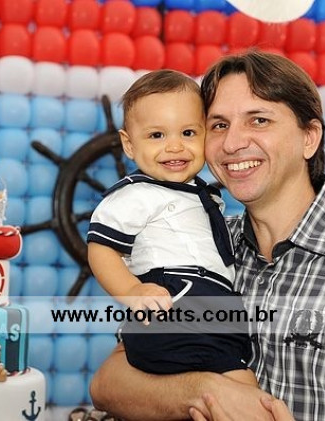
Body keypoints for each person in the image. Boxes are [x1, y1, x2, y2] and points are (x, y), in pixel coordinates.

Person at [89, 50, 325, 420]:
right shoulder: (197, 244)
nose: (232, 143)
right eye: (219, 125)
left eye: (259, 120)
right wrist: (206, 391)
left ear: (309, 137)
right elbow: (108, 383)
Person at [86, 69, 258, 386]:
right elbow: (102, 249)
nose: (175, 146)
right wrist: (132, 291)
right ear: (129, 144)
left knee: (240, 382)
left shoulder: (204, 194)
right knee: (236, 385)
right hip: (175, 297)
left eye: (188, 133)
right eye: (157, 136)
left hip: (216, 303)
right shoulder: (136, 194)